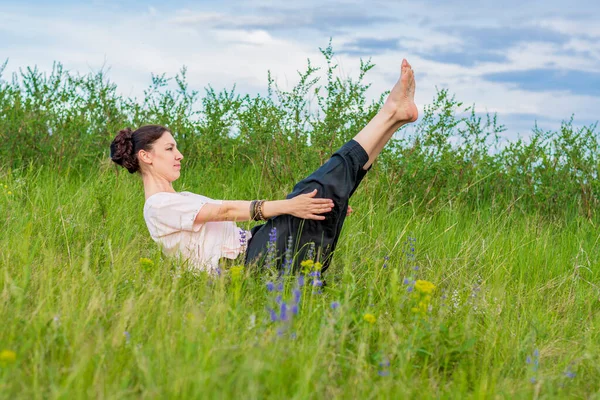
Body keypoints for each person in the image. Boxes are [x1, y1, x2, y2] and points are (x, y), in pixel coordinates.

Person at [110, 59, 417, 275]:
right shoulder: (158, 207)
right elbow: (225, 212)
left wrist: (297, 208)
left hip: (257, 248)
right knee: (313, 191)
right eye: (169, 148)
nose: (179, 155)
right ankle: (390, 113)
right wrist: (287, 206)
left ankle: (393, 120)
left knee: (324, 198)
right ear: (145, 157)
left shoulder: (179, 197)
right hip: (245, 266)